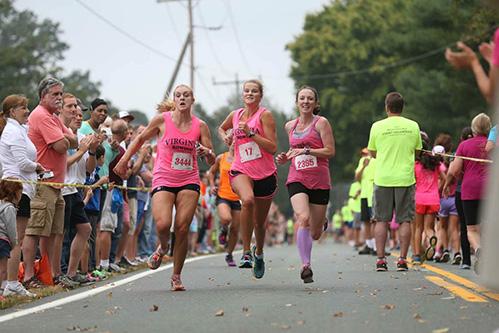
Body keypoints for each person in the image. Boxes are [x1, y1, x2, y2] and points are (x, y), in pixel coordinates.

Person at [114, 85, 215, 291]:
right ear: (175, 100)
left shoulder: (200, 126)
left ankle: (176, 276)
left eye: (186, 95)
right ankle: (164, 246)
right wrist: (124, 161)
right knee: (162, 225)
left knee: (182, 228)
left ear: (192, 100)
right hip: (164, 178)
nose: (182, 98)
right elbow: (140, 140)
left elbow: (211, 159)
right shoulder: (162, 120)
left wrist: (206, 152)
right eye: (178, 95)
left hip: (189, 179)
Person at [218, 80, 278, 279]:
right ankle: (245, 252)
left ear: (260, 95)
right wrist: (226, 137)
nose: (250, 93)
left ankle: (258, 253)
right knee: (248, 200)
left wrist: (251, 133)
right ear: (242, 94)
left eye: (254, 91)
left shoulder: (265, 116)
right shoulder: (235, 115)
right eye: (247, 91)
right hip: (240, 169)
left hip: (265, 173)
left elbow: (272, 147)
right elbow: (221, 128)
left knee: (260, 224)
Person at [276, 85, 334, 283]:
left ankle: (321, 223)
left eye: (310, 99)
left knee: (315, 233)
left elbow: (329, 151)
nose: (306, 102)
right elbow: (294, 151)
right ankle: (305, 265)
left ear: (315, 103)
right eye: (302, 98)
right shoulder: (289, 126)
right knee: (303, 217)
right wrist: (285, 158)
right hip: (297, 177)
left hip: (319, 179)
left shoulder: (321, 123)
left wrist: (307, 151)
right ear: (296, 102)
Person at [23, 77, 77, 287]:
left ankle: (52, 274)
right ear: (43, 96)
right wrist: (65, 139)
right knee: (35, 231)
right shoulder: (41, 115)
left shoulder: (53, 117)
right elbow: (63, 146)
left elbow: (73, 140)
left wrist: (65, 138)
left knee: (55, 233)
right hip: (43, 183)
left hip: (57, 185)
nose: (59, 98)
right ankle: (29, 276)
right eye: (55, 94)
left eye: (60, 94)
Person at [367, 92, 422, 272]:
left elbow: (373, 152)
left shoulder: (377, 126)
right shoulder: (413, 126)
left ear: (386, 107)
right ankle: (402, 260)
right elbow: (418, 153)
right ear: (402, 107)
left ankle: (381, 260)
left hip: (383, 178)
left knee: (381, 220)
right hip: (405, 178)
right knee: (404, 220)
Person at [0, 95, 41, 297]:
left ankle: (8, 282)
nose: (27, 111)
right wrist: (39, 168)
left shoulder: (19, 130)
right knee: (16, 238)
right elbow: (23, 163)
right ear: (12, 112)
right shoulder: (13, 132)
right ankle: (12, 283)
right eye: (23, 108)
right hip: (17, 189)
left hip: (20, 188)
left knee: (12, 237)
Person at [443, 113, 491, 273]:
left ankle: (479, 250)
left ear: (474, 128)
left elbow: (454, 170)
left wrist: (450, 182)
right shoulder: (494, 145)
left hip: (470, 190)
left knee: (471, 229)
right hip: (491, 190)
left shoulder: (465, 145)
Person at [59, 97, 99, 286]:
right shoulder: (63, 135)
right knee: (62, 233)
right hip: (62, 187)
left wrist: (91, 151)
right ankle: (59, 273)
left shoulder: (82, 138)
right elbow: (62, 164)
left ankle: (72, 272)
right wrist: (82, 150)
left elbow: (90, 169)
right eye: (74, 111)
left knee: (85, 228)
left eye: (80, 113)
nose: (78, 115)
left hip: (75, 189)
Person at [412, 135, 446, 265]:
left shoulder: (416, 165)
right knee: (428, 228)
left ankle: (416, 256)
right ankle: (432, 238)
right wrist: (438, 189)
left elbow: (412, 181)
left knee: (418, 228)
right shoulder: (435, 164)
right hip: (433, 199)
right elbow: (444, 178)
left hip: (419, 198)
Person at [209, 135, 241, 267]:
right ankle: (223, 230)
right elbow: (211, 173)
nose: (234, 142)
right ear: (228, 141)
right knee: (226, 218)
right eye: (232, 140)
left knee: (235, 229)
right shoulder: (221, 158)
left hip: (238, 198)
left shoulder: (243, 158)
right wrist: (212, 186)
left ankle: (229, 254)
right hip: (223, 195)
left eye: (237, 140)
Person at [0, 179, 23, 299]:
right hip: (3, 240)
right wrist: (14, 243)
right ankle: (1, 291)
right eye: (20, 192)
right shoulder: (9, 208)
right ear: (14, 193)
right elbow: (11, 228)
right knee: (3, 268)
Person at [355, 148, 376, 255]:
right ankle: (369, 245)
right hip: (364, 194)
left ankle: (376, 247)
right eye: (363, 153)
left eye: (366, 153)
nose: (364, 155)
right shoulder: (362, 161)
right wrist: (364, 166)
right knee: (366, 221)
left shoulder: (378, 160)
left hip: (375, 194)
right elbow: (357, 178)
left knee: (375, 221)